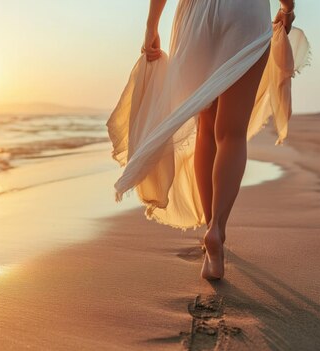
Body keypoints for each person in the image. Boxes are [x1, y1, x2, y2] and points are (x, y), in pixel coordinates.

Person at [107, 0, 307, 280]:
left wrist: (151, 26)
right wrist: (287, 9)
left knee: (206, 126)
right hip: (245, 13)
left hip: (194, 16)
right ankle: (217, 230)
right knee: (231, 133)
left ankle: (209, 229)